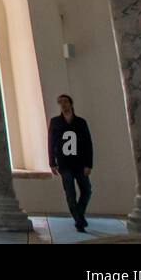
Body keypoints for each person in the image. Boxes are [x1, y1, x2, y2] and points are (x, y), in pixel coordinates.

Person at [48, 94, 94, 231]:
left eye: (65, 101)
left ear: (71, 104)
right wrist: (52, 162)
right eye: (60, 102)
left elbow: (88, 143)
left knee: (86, 190)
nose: (63, 104)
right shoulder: (55, 122)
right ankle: (79, 221)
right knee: (70, 192)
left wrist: (89, 164)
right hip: (64, 162)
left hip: (80, 162)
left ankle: (79, 214)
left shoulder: (81, 122)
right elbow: (51, 143)